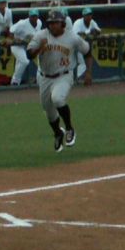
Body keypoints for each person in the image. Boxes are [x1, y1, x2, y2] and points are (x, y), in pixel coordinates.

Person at [26, 10, 92, 152]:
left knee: (57, 99)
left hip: (64, 75)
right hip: (44, 77)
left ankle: (69, 128)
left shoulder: (72, 37)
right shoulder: (41, 35)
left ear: (62, 23)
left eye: (56, 22)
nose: (53, 26)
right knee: (48, 110)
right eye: (50, 23)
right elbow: (28, 55)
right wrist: (39, 49)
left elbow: (87, 51)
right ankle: (58, 133)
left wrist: (88, 72)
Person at [9, 9, 42, 86]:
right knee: (24, 61)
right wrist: (14, 39)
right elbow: (10, 31)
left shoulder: (39, 23)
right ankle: (15, 82)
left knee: (42, 56)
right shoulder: (22, 23)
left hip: (27, 46)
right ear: (29, 17)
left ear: (38, 17)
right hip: (17, 46)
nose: (34, 18)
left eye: (35, 16)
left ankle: (39, 80)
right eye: (32, 16)